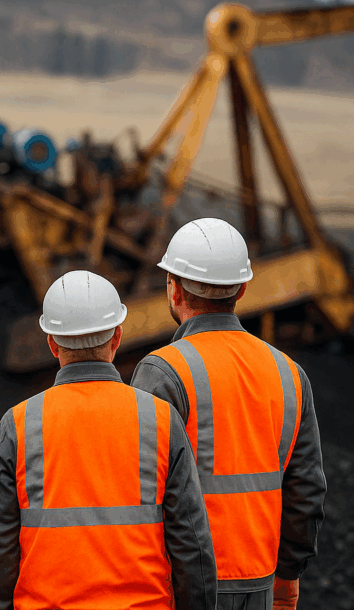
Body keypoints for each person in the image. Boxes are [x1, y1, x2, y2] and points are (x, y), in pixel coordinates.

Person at [0, 270, 217, 610]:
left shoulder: (18, 425)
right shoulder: (161, 420)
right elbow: (191, 541)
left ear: (52, 343)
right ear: (117, 337)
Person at [130, 218, 327, 610]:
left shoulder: (162, 372)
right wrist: (287, 576)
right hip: (260, 583)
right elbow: (307, 492)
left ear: (173, 288)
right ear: (243, 288)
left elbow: (137, 494)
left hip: (179, 588)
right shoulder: (288, 372)